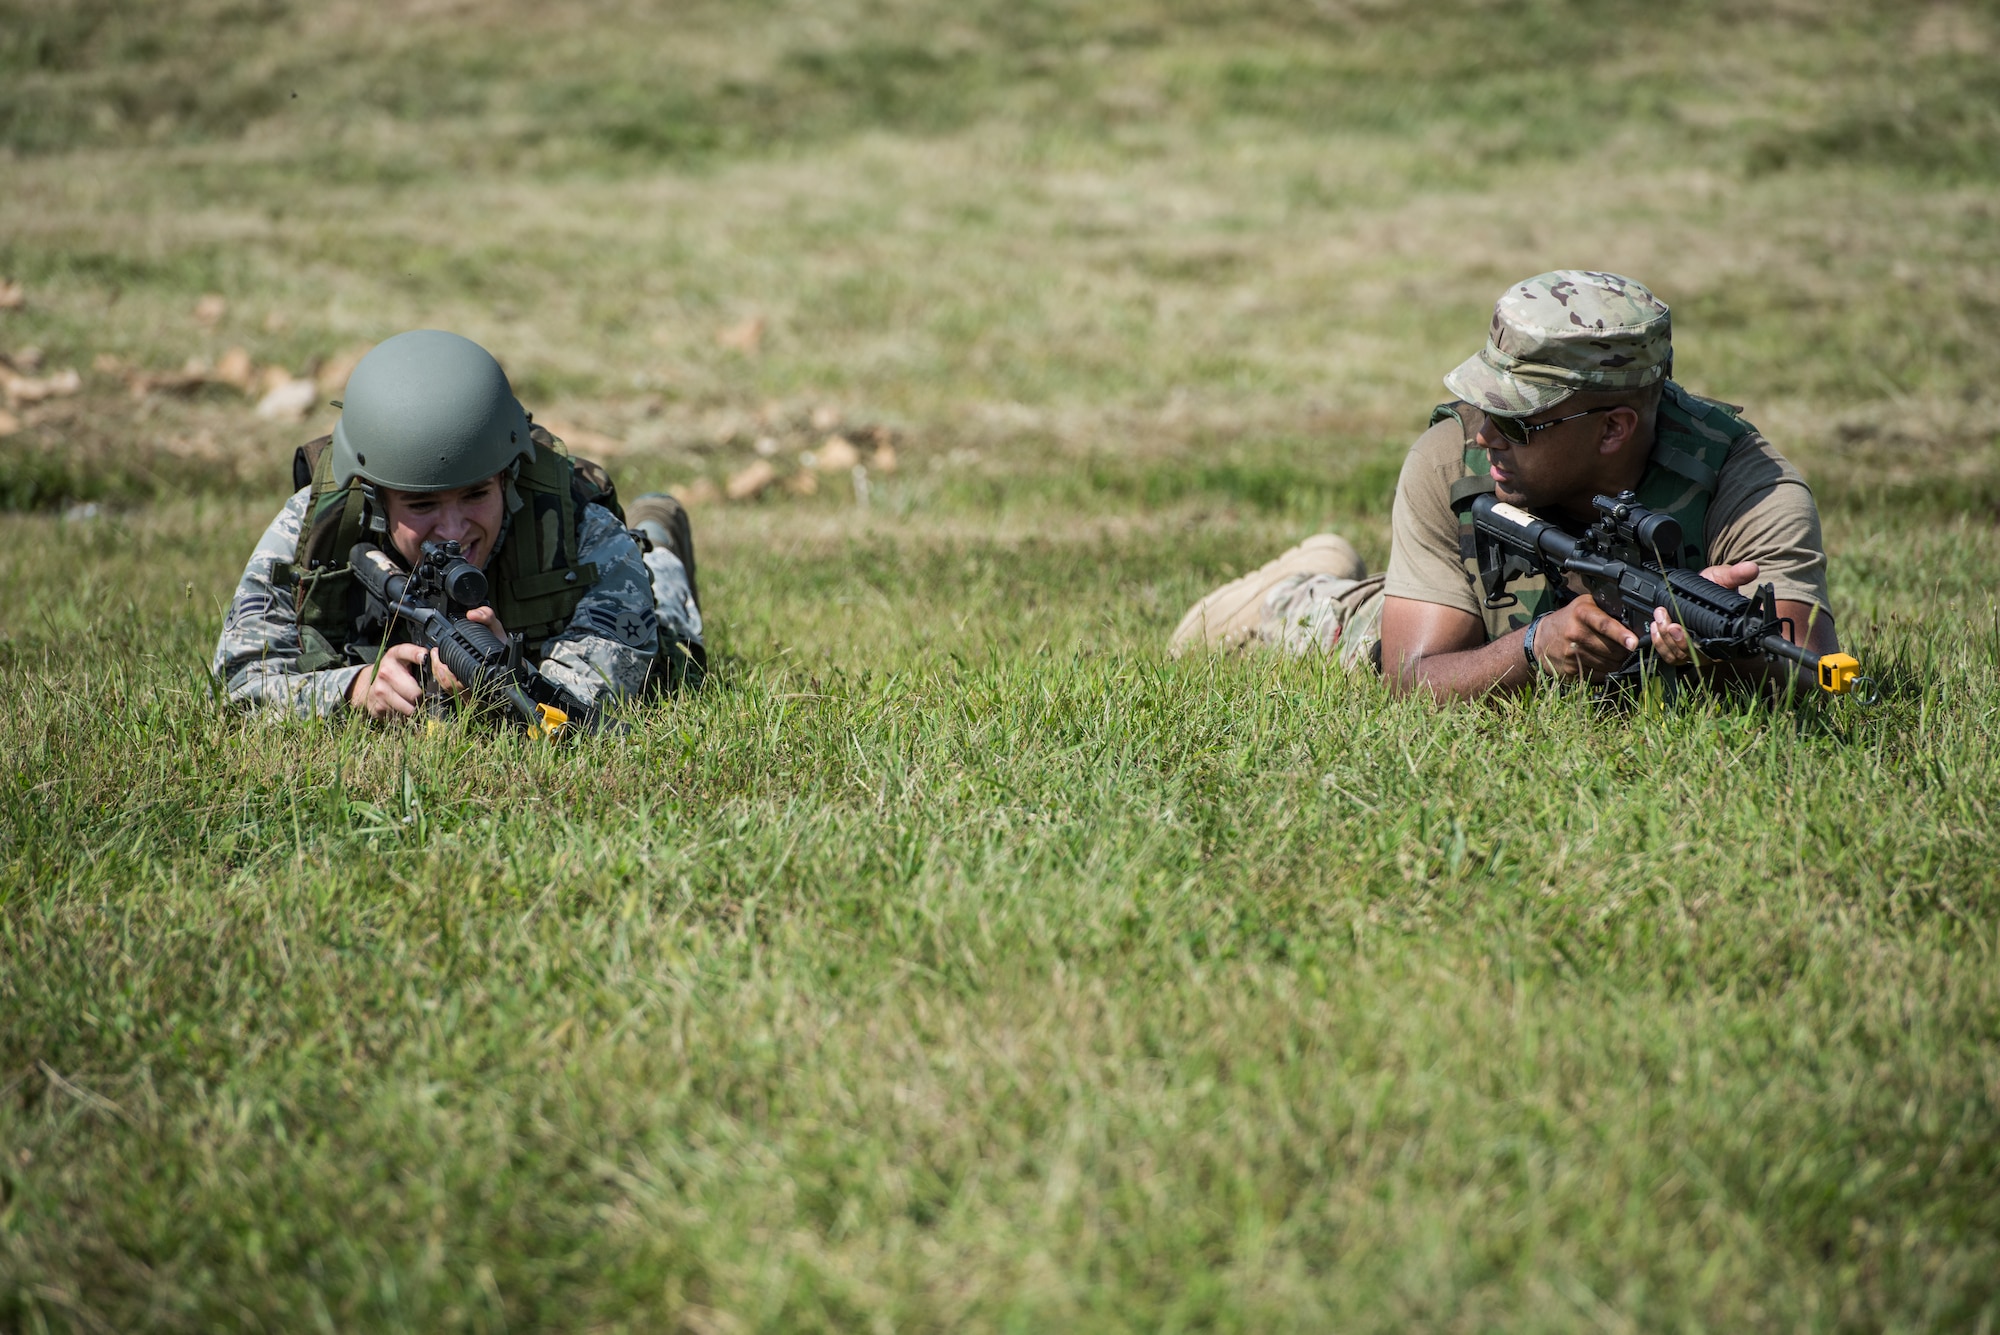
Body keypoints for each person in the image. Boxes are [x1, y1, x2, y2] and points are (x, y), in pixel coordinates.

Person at [1170, 270, 1841, 699]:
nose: (1484, 429)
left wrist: (1718, 653)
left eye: (1515, 417)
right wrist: (1535, 650)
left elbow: (1807, 664)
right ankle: (1296, 585)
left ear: (1613, 429)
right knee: (1323, 631)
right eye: (1482, 401)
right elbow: (1414, 678)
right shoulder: (1451, 458)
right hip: (1472, 621)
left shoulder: (1748, 487)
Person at [212, 329, 705, 722]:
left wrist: (510, 681)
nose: (452, 529)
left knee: (674, 646)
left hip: (602, 602)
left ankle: (658, 537)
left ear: (507, 481)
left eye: (475, 495)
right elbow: (240, 679)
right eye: (422, 505)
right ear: (375, 498)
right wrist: (354, 689)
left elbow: (596, 695)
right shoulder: (314, 526)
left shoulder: (579, 527)